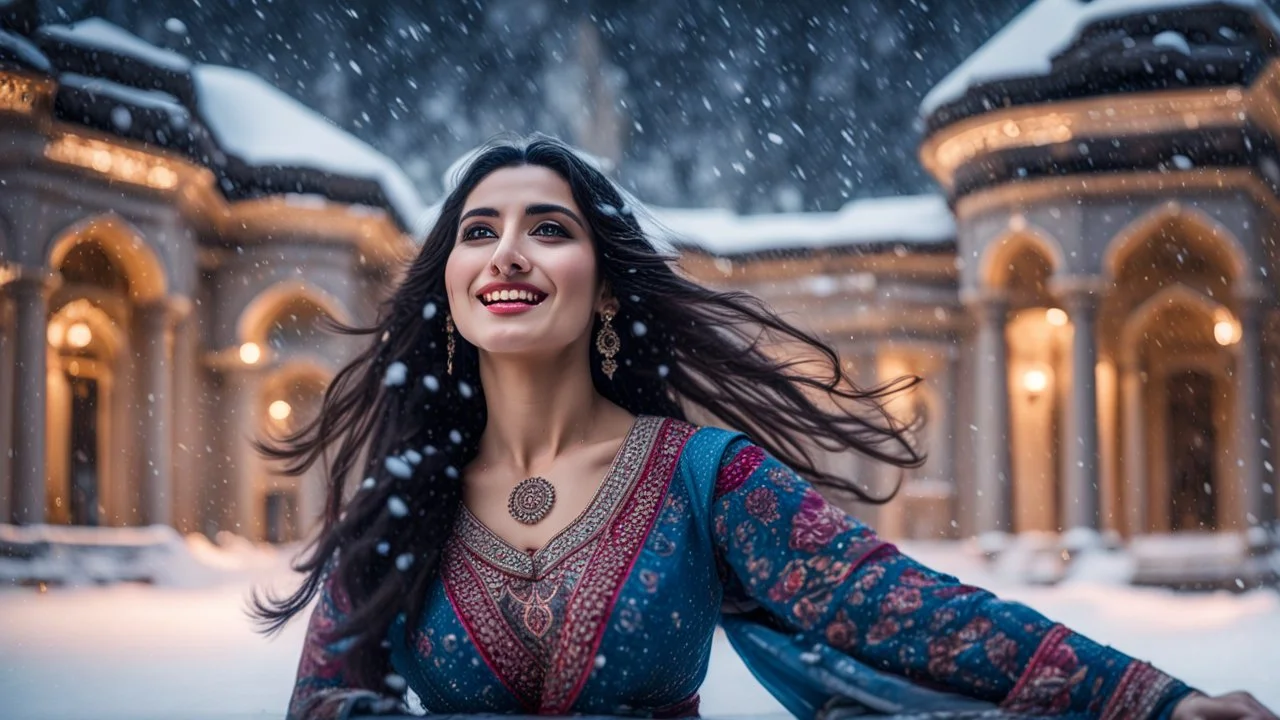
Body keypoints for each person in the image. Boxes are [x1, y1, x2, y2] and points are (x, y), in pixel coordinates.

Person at [252, 135, 1275, 720]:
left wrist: (1147, 701)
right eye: (478, 232)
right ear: (450, 288)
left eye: (547, 229)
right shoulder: (403, 495)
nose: (507, 251)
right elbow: (322, 705)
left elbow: (909, 611)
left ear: (606, 290)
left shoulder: (702, 477)